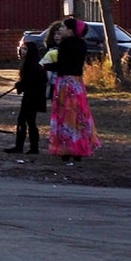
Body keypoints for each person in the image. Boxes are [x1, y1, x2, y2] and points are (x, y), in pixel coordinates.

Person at [45, 17, 102, 165]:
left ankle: (66, 149)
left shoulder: (66, 44)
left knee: (65, 114)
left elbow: (63, 65)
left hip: (65, 83)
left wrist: (46, 66)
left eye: (63, 27)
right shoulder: (82, 44)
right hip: (77, 83)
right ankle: (79, 148)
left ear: (70, 31)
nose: (61, 29)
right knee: (79, 115)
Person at [4, 41, 47, 154]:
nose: (22, 51)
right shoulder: (30, 63)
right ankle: (25, 146)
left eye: (25, 49)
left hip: (33, 97)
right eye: (22, 48)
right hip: (30, 96)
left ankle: (30, 147)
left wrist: (21, 85)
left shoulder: (33, 65)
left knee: (27, 121)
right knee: (25, 121)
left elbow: (33, 81)